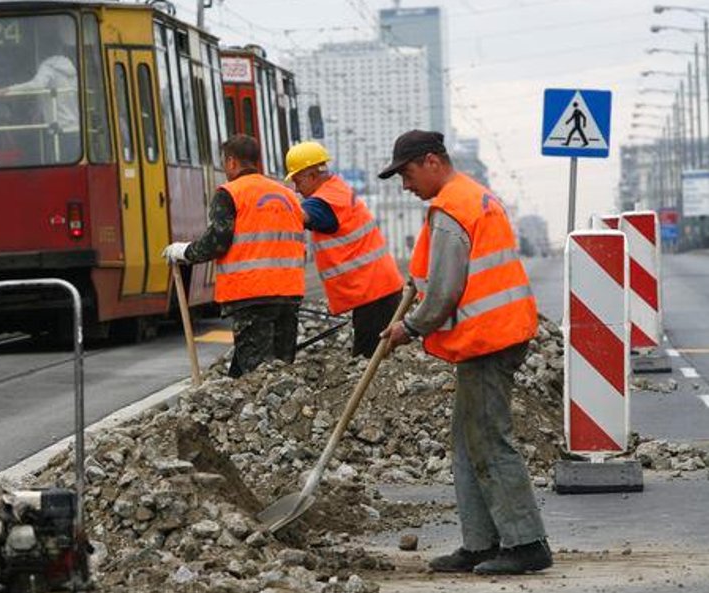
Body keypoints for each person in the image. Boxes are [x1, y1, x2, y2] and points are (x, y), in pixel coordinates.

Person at [377, 130, 553, 575]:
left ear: (432, 161)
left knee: (489, 440)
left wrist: (410, 328)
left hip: (489, 338)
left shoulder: (452, 207)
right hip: (494, 334)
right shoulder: (474, 196)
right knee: (466, 442)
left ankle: (526, 543)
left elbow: (445, 291)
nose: (406, 185)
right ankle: (479, 543)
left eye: (408, 173)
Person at [163, 134, 306, 378]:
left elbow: (217, 241)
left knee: (256, 375)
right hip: (289, 294)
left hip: (252, 296)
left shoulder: (230, 194)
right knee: (283, 371)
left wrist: (183, 252)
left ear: (231, 162)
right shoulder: (287, 196)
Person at [284, 141, 405, 357]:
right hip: (376, 289)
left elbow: (298, 216)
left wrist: (270, 199)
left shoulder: (325, 201)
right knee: (374, 356)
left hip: (373, 292)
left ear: (312, 175)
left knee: (369, 359)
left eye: (297, 180)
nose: (296, 188)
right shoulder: (335, 189)